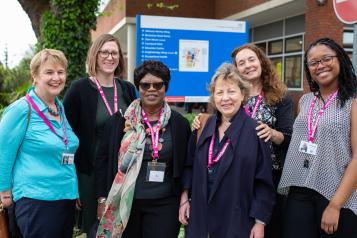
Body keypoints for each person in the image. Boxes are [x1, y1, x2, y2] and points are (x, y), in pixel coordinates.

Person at [193, 44, 294, 238]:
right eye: (241, 63)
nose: (247, 65)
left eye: (251, 60)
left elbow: (288, 138)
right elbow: (218, 123)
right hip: (232, 171)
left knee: (262, 229)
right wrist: (201, 120)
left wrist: (271, 133)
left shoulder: (281, 96)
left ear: (261, 62)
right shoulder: (231, 93)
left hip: (268, 173)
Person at [96, 60, 191, 238]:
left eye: (158, 84)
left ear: (166, 87)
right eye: (145, 85)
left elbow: (187, 163)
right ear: (138, 87)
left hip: (165, 206)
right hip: (126, 203)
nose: (151, 89)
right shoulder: (120, 121)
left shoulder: (179, 124)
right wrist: (102, 199)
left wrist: (185, 197)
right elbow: (102, 161)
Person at [179, 63, 275, 238]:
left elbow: (264, 183)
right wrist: (184, 198)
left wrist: (259, 222)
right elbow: (189, 165)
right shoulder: (203, 126)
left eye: (231, 91)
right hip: (201, 217)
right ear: (213, 97)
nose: (225, 98)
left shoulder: (256, 132)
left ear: (242, 94)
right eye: (219, 92)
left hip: (236, 220)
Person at [278, 38, 357, 237]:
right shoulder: (305, 101)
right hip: (300, 189)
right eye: (313, 63)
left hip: (337, 193)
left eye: (326, 59)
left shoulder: (352, 102)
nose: (320, 66)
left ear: (341, 60)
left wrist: (335, 205)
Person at [0, 49, 79, 237]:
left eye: (60, 72)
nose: (56, 77)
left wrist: (74, 188)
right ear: (35, 76)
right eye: (49, 72)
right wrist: (4, 194)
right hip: (36, 199)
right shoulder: (21, 109)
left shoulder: (59, 107)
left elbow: (64, 148)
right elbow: (3, 153)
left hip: (65, 197)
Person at [63, 34, 136, 236]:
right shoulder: (79, 89)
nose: (110, 57)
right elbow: (66, 135)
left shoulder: (127, 89)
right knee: (96, 228)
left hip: (122, 170)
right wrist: (73, 180)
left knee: (124, 227)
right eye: (104, 52)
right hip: (90, 173)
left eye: (114, 53)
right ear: (95, 55)